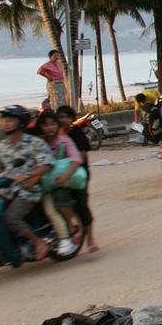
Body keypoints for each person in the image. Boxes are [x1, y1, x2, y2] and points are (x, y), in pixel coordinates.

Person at [0, 105, 55, 260]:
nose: (5, 123)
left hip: (29, 189)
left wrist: (29, 176)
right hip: (6, 189)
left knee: (11, 218)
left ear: (21, 122)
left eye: (10, 120)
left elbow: (46, 164)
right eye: (4, 119)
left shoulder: (34, 143)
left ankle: (38, 242)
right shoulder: (2, 146)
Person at [33, 110, 81, 257]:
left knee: (54, 207)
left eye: (53, 124)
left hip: (61, 182)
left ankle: (67, 235)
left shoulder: (64, 141)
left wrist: (66, 176)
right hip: (44, 184)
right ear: (40, 127)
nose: (50, 128)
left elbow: (76, 159)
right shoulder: (37, 143)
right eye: (45, 125)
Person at [55, 106, 98, 252]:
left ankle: (91, 238)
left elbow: (82, 156)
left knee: (81, 205)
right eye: (60, 117)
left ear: (72, 118)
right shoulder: (55, 135)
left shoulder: (77, 133)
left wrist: (67, 162)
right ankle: (71, 230)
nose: (63, 120)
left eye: (66, 117)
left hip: (78, 175)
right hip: (60, 175)